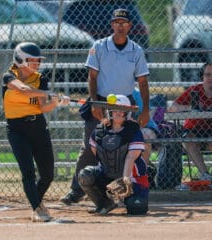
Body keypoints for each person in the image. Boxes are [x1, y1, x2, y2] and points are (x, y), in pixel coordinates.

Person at [60, 8, 150, 204]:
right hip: (101, 100)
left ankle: (129, 188)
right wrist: (94, 102)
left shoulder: (136, 50)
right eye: (116, 22)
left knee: (128, 146)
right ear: (112, 25)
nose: (120, 25)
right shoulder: (99, 46)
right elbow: (92, 77)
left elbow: (142, 82)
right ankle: (77, 189)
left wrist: (145, 109)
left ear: (129, 26)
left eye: (124, 22)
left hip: (126, 104)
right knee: (90, 147)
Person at [2, 42, 69, 222]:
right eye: (33, 61)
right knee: (28, 172)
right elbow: (24, 90)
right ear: (21, 60)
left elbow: (43, 108)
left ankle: (36, 201)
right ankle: (36, 208)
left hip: (38, 127)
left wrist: (56, 102)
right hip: (16, 130)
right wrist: (46, 93)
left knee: (47, 174)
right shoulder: (9, 76)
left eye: (38, 61)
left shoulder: (40, 79)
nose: (37, 64)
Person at [78, 95, 149, 215]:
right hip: (107, 175)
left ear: (127, 113)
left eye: (122, 110)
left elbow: (131, 157)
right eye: (115, 109)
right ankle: (105, 203)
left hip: (132, 179)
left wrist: (125, 178)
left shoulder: (133, 131)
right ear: (109, 111)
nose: (118, 113)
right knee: (85, 175)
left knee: (137, 208)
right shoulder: (99, 131)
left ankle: (129, 199)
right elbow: (98, 156)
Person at [168, 62, 212, 186]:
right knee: (188, 140)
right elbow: (173, 107)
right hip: (194, 129)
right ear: (202, 76)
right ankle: (205, 175)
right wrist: (191, 107)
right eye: (207, 74)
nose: (211, 78)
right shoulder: (194, 90)